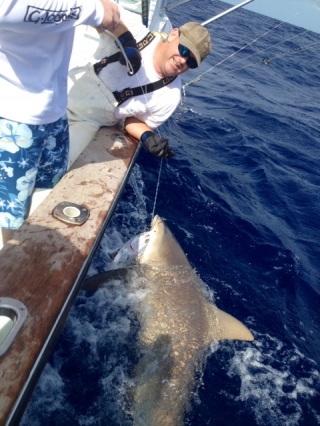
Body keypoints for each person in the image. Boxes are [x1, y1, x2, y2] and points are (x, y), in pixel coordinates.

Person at [0, 0, 141, 245]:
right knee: (9, 217)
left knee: (48, 187)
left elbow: (107, 15)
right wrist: (92, 11)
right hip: (15, 120)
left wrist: (125, 38)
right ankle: (10, 266)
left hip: (55, 114)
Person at [67, 6, 212, 167]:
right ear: (173, 34)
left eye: (191, 62)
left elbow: (131, 120)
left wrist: (147, 136)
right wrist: (126, 41)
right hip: (64, 90)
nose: (183, 61)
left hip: (86, 122)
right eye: (184, 50)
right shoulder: (137, 32)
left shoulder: (171, 97)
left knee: (56, 165)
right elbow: (97, 8)